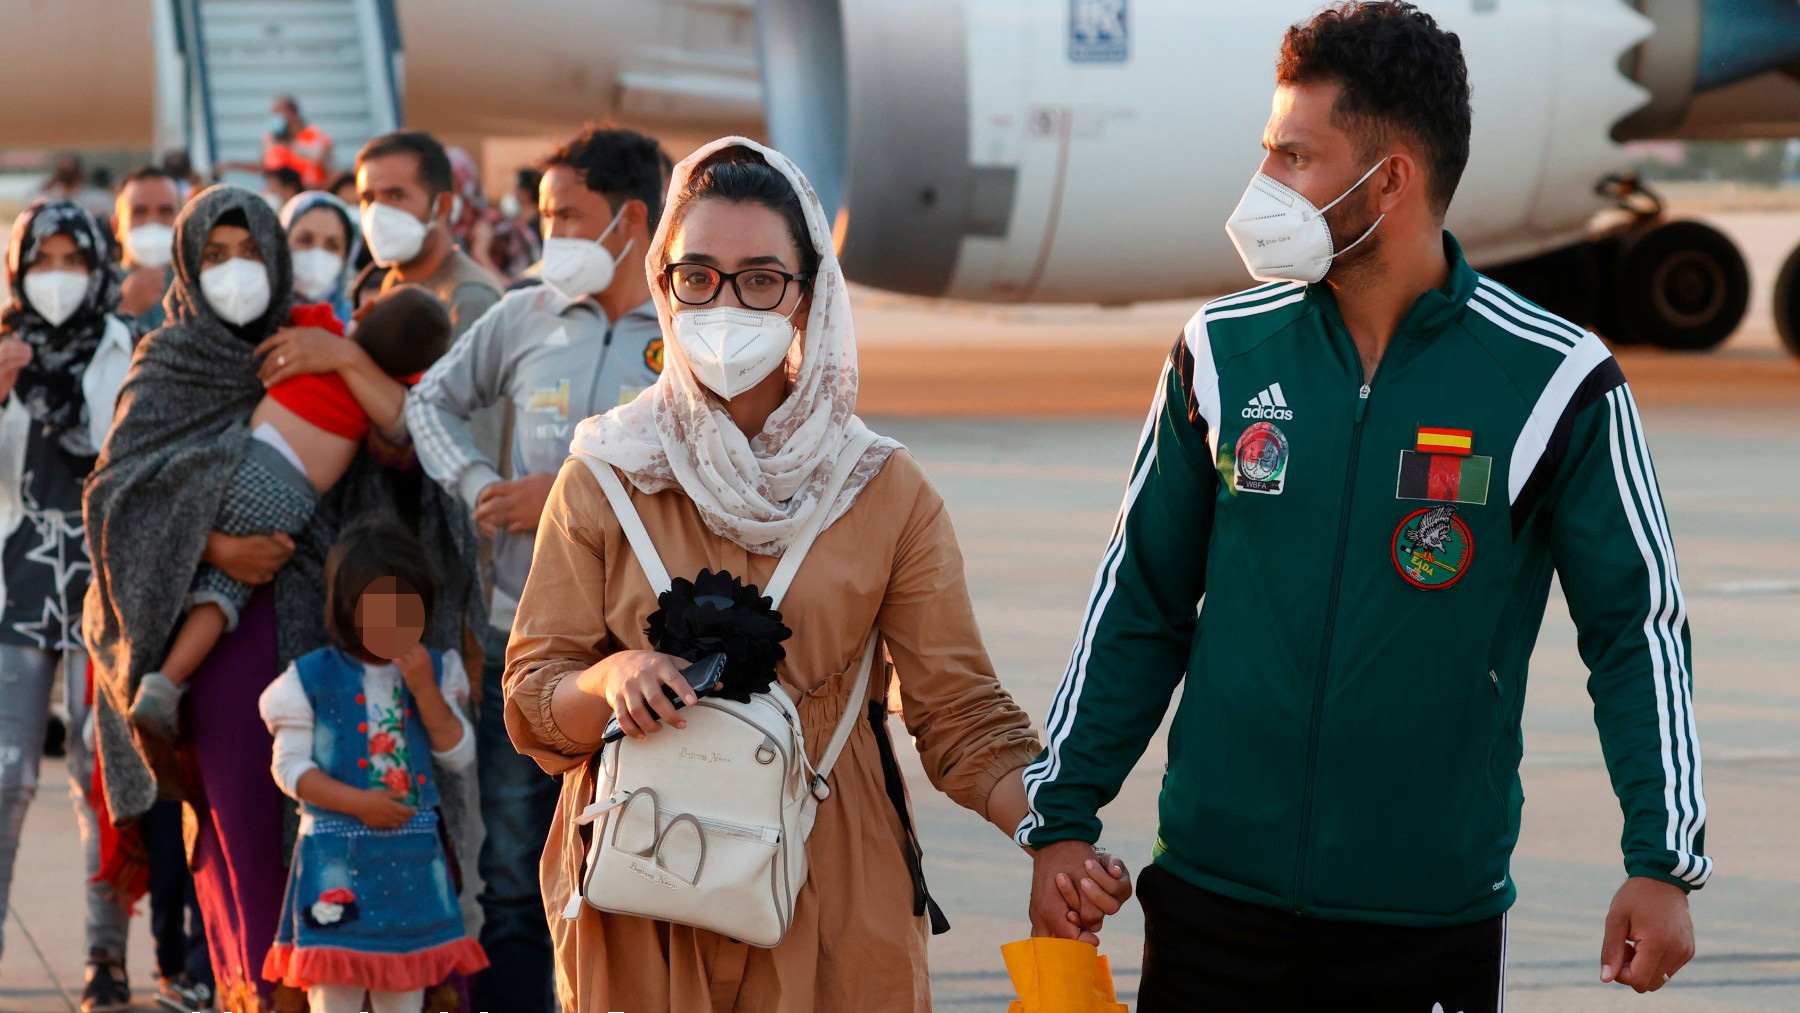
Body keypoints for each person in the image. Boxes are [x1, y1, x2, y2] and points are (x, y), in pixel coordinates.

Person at [1017, 4, 1708, 1009]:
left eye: (1296, 157)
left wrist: (1664, 856)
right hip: (1213, 905)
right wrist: (1064, 816)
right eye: (1269, 150)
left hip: (1425, 929)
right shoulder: (1219, 352)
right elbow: (1141, 599)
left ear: (1390, 180)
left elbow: (1636, 627)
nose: (1265, 187)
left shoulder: (1558, 380)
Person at [502, 137, 1129, 1011]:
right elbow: (535, 693)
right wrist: (610, 678)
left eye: (761, 278)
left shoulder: (882, 487)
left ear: (807, 298)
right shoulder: (607, 472)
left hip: (833, 887)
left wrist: (1053, 834)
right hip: (643, 887)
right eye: (699, 276)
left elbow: (960, 715)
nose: (726, 303)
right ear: (665, 283)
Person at [83, 184, 483, 1013]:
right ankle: (269, 996)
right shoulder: (166, 361)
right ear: (190, 265)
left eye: (249, 251)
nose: (236, 269)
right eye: (216, 253)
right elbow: (116, 497)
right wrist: (215, 541)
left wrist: (341, 361)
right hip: (224, 643)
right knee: (248, 833)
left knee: (361, 824)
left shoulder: (319, 341)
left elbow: (408, 448)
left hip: (335, 633)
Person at [405, 126, 668, 1013]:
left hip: (649, 662)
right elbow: (427, 399)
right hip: (524, 643)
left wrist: (563, 490)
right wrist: (479, 482)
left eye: (565, 214)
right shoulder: (524, 314)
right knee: (513, 877)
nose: (545, 230)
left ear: (631, 220)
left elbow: (721, 465)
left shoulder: (689, 327)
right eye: (543, 211)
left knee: (644, 880)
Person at [129, 287, 448, 739]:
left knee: (185, 548)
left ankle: (150, 657)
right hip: (286, 503)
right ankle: (164, 684)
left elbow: (274, 310)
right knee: (222, 593)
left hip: (238, 466)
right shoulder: (382, 392)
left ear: (366, 307)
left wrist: (337, 346)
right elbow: (405, 419)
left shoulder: (318, 329)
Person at [258, 519, 488, 1013]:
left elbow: (458, 754)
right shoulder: (309, 679)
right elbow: (289, 768)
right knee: (333, 994)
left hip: (411, 863)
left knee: (403, 993)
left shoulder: (437, 669)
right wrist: (358, 803)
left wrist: (426, 690)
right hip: (334, 862)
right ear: (348, 608)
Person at [0, 199, 136, 1013]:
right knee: (7, 772)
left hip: (100, 583)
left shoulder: (125, 342)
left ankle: (103, 954)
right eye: (40, 258)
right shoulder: (3, 346)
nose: (57, 276)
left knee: (97, 772)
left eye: (71, 259)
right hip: (13, 584)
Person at [113, 166, 182, 339]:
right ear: (116, 226)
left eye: (165, 212)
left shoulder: (201, 287)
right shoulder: (95, 289)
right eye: (139, 212)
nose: (152, 222)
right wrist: (125, 309)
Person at [281, 191, 361, 323]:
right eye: (305, 240)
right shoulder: (256, 315)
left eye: (332, 245)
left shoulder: (357, 325)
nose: (317, 254)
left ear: (348, 255)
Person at [488, 167, 543, 280]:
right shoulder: (508, 228)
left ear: (525, 194)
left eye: (511, 188)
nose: (507, 194)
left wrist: (479, 253)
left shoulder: (543, 229)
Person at [39, 153, 116, 224]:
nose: (67, 174)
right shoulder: (49, 199)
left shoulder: (97, 199)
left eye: (69, 171)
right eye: (64, 171)